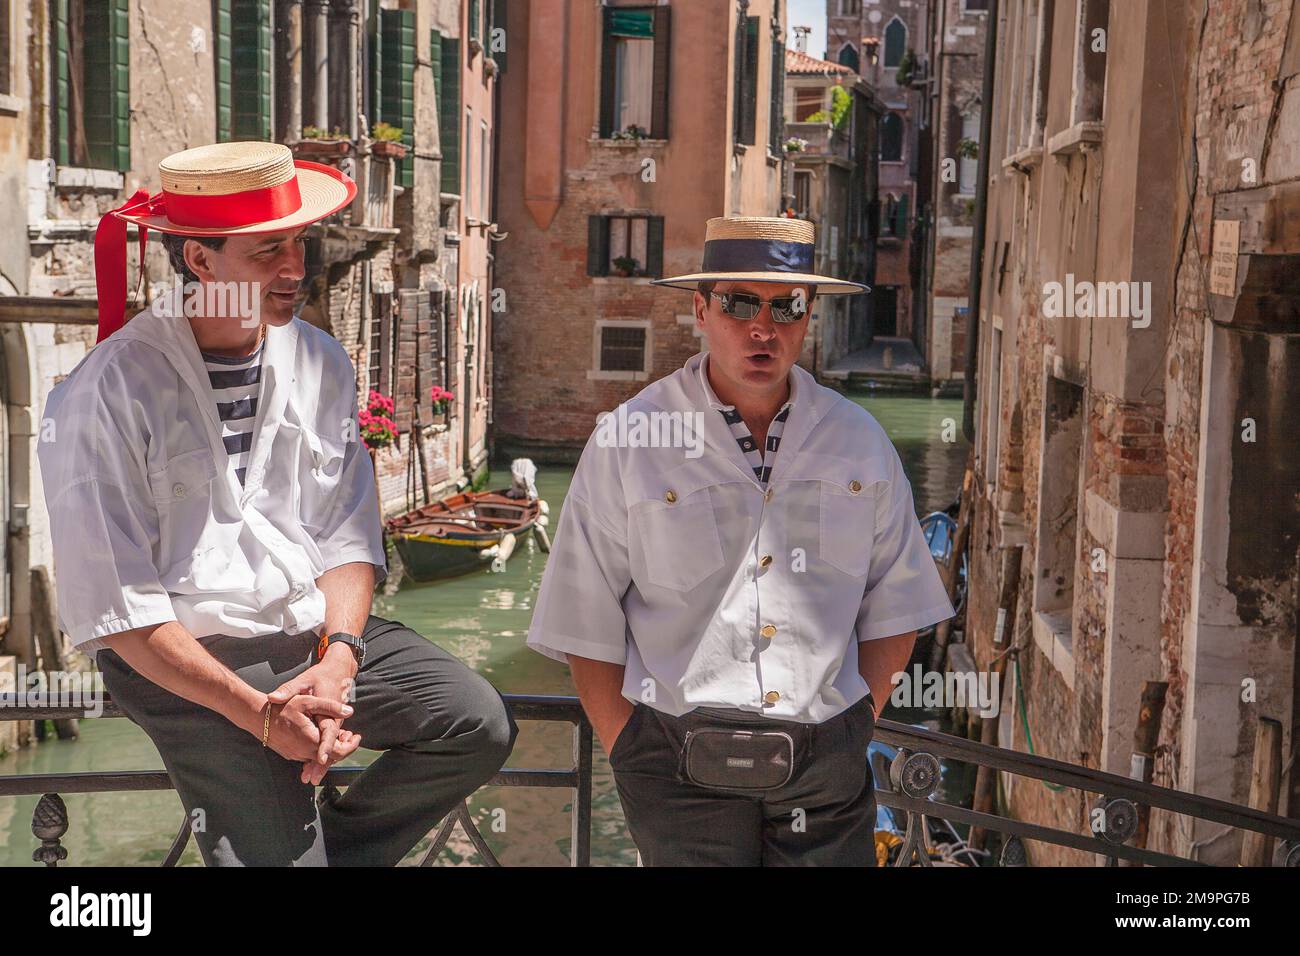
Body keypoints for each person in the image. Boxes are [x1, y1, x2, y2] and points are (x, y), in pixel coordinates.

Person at [37, 141, 516, 866]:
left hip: (310, 638)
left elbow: (348, 534)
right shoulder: (107, 391)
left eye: (299, 244)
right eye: (267, 252)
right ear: (200, 262)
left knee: (475, 721)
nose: (296, 269)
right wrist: (261, 715)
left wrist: (340, 659)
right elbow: (121, 607)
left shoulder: (321, 360)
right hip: (183, 661)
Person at [526, 215, 955, 865]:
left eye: (787, 306)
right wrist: (630, 746)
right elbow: (581, 617)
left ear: (808, 315)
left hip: (825, 770)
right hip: (676, 770)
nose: (764, 326)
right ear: (701, 309)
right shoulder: (630, 440)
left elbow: (899, 603)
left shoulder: (860, 442)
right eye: (739, 304)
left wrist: (852, 726)